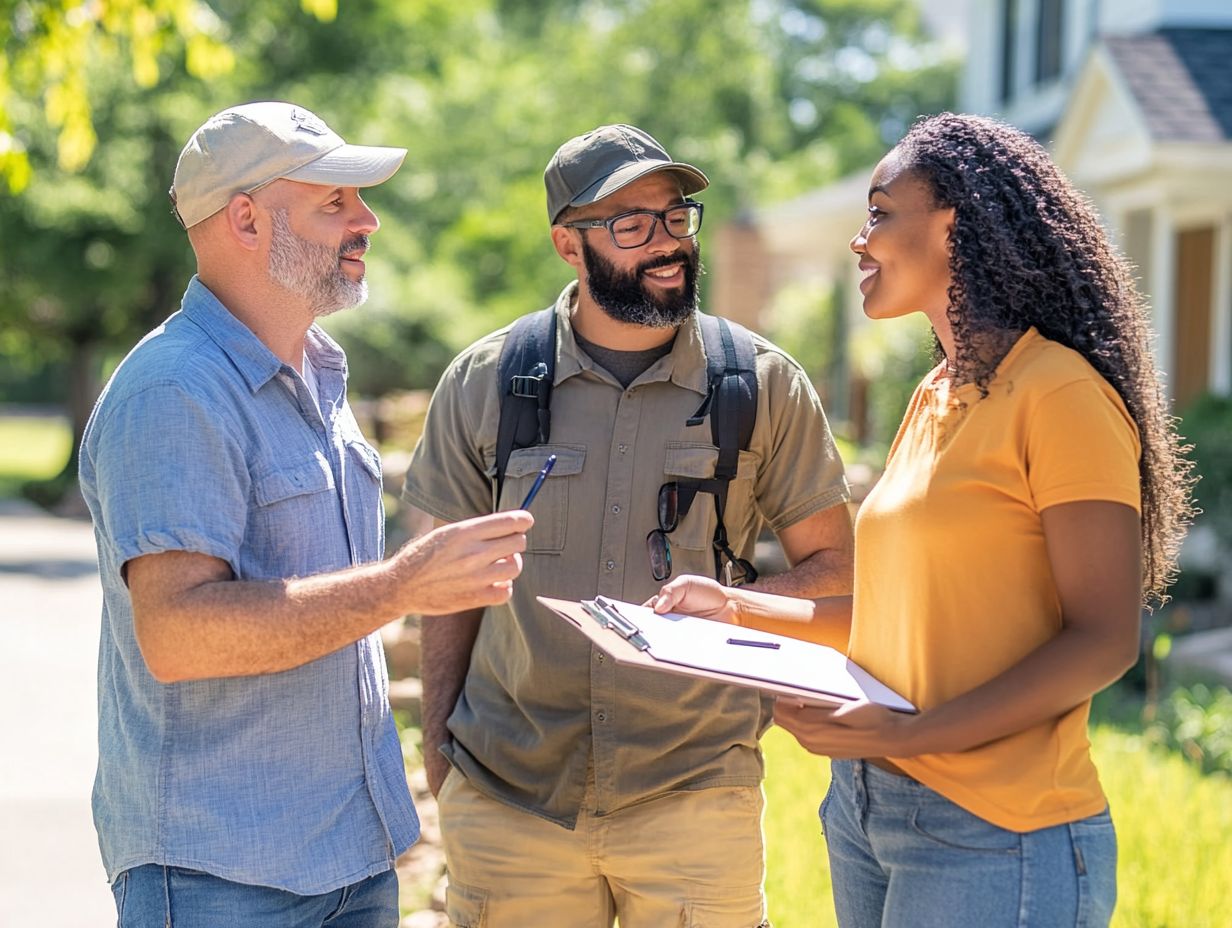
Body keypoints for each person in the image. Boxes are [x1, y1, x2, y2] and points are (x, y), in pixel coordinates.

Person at [649, 112, 1195, 927]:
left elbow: (1104, 637)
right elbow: (904, 619)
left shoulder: (1061, 394)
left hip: (998, 834)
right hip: (869, 812)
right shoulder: (936, 395)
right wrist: (735, 606)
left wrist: (905, 735)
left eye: (878, 212)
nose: (858, 240)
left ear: (957, 223)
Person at [79, 101, 532, 928]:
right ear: (245, 219)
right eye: (334, 202)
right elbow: (178, 635)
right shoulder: (174, 391)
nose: (368, 220)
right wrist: (401, 586)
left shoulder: (319, 373)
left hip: (349, 862)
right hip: (222, 879)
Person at [400, 124, 854, 927]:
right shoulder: (483, 384)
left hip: (694, 794)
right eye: (632, 225)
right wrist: (443, 760)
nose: (667, 244)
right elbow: (446, 591)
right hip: (509, 797)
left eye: (676, 217)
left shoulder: (763, 386)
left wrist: (740, 603)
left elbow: (839, 575)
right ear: (567, 246)